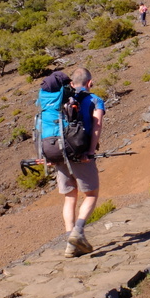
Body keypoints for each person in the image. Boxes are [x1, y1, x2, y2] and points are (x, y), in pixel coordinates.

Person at [47, 68, 104, 258]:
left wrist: (49, 155)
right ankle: (78, 232)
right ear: (90, 82)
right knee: (91, 194)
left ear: (71, 84)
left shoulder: (59, 100)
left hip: (60, 154)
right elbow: (97, 126)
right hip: (80, 153)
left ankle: (70, 245)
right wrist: (89, 150)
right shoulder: (95, 100)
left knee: (70, 198)